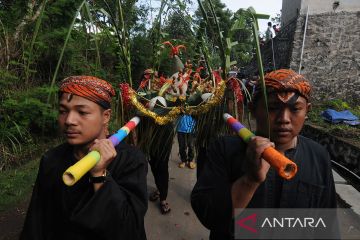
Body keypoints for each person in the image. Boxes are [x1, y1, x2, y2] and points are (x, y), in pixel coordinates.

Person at [191, 69, 337, 239]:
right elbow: (207, 216)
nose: (284, 118)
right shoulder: (223, 149)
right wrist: (249, 180)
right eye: (273, 108)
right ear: (253, 109)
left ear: (307, 111)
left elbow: (327, 225)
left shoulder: (318, 156)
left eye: (295, 109)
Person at [20, 76, 148, 240]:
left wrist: (99, 175)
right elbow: (36, 222)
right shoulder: (51, 160)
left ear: (106, 116)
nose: (69, 121)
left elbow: (128, 230)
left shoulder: (131, 160)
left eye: (82, 112)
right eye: (63, 111)